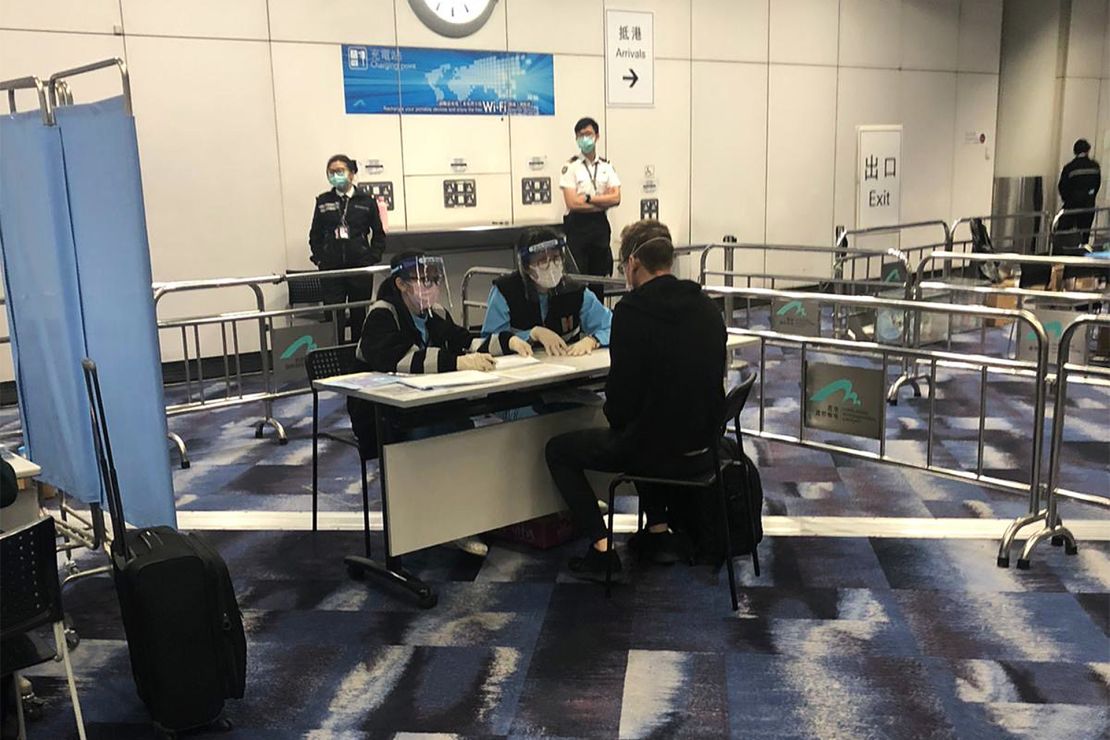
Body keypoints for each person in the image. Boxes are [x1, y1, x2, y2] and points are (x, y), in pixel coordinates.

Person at [544, 220, 727, 580]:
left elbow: (622, 404)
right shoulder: (707, 306)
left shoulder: (632, 312)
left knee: (560, 450)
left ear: (632, 264)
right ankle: (657, 532)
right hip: (704, 450)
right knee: (654, 422)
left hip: (654, 450)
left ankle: (601, 549)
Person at [346, 251, 526, 557]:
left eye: (433, 279)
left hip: (428, 405)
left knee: (465, 432)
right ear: (401, 284)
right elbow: (400, 360)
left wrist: (507, 341)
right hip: (385, 414)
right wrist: (457, 362)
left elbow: (463, 341)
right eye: (422, 279)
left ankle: (467, 516)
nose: (429, 285)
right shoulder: (382, 315)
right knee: (437, 438)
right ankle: (443, 524)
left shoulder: (435, 314)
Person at [480, 226, 612, 357]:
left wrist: (593, 340)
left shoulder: (575, 291)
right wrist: (532, 334)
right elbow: (487, 342)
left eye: (556, 258)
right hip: (522, 372)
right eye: (542, 261)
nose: (551, 266)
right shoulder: (505, 291)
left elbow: (612, 326)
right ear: (526, 267)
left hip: (568, 369)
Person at [309, 154, 386, 343]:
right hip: (331, 268)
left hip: (359, 267)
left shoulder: (366, 201)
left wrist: (372, 258)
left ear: (351, 174)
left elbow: (378, 234)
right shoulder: (323, 201)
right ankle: (336, 356)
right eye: (331, 172)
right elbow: (315, 235)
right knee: (334, 317)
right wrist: (320, 259)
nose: (336, 175)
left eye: (340, 171)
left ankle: (360, 356)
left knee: (360, 314)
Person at [559, 116, 621, 300]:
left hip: (599, 229)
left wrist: (588, 198)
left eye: (588, 134)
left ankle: (599, 324)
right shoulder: (571, 167)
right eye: (580, 135)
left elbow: (616, 198)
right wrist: (602, 201)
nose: (585, 138)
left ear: (597, 136)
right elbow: (572, 203)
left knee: (598, 281)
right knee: (577, 282)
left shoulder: (606, 166)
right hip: (578, 229)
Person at [1057, 139, 1102, 246]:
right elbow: (1097, 185)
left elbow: (1062, 186)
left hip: (1072, 204)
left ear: (1075, 151)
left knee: (1064, 231)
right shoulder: (1095, 166)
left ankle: (1064, 253)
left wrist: (1067, 199)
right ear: (1088, 150)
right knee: (1084, 233)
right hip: (1088, 205)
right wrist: (1090, 196)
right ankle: (1082, 252)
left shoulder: (1070, 167)